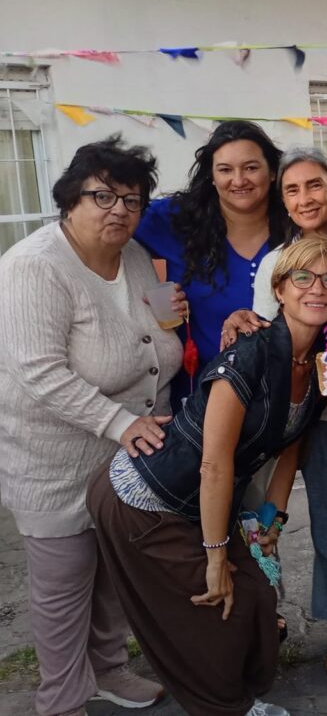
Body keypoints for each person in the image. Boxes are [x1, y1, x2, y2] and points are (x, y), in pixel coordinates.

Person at [86, 235, 327, 716]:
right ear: (280, 290)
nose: (317, 288)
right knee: (218, 603)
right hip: (146, 497)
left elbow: (291, 446)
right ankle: (224, 705)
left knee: (257, 594)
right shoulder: (250, 352)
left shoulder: (321, 363)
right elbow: (214, 464)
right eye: (303, 277)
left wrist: (272, 517)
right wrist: (215, 555)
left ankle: (240, 692)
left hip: (199, 501)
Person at [0, 137, 180, 716]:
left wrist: (168, 320)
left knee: (113, 572)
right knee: (64, 585)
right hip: (52, 460)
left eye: (131, 200)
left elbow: (152, 337)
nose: (118, 210)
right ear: (69, 199)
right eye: (102, 196)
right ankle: (60, 698)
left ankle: (108, 669)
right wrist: (119, 422)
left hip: (124, 456)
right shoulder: (33, 267)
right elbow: (38, 373)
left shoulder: (133, 256)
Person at [223, 149, 327, 679]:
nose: (305, 198)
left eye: (314, 185)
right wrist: (241, 319)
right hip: (314, 414)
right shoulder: (282, 260)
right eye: (292, 190)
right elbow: (268, 331)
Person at [134, 120, 286, 405]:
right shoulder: (177, 222)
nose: (238, 180)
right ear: (212, 176)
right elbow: (108, 231)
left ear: (273, 172)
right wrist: (140, 290)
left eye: (251, 168)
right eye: (225, 170)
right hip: (198, 400)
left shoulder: (295, 226)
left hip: (280, 398)